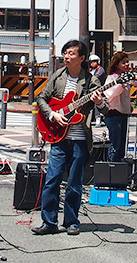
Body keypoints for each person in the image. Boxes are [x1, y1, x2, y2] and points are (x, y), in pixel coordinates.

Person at [32, 40, 105, 236]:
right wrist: (52, 115)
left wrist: (99, 102)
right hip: (58, 137)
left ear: (82, 58)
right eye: (65, 53)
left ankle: (72, 221)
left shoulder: (91, 81)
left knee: (74, 182)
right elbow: (41, 99)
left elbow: (105, 107)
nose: (66, 56)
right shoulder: (58, 76)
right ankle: (49, 221)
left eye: (71, 53)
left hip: (80, 138)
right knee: (52, 180)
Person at [103, 51, 134, 161]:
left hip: (124, 113)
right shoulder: (112, 78)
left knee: (122, 145)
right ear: (117, 64)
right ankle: (112, 168)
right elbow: (110, 94)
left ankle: (120, 167)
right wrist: (121, 85)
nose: (126, 65)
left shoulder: (125, 77)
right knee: (115, 145)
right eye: (123, 63)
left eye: (127, 62)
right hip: (113, 114)